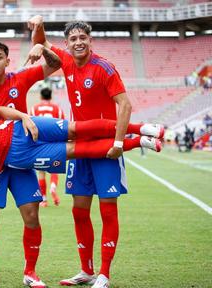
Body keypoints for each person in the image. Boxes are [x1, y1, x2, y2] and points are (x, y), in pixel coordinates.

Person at [27, 15, 161, 288]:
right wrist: (38, 27)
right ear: (67, 43)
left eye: (82, 38)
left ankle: (105, 273)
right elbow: (40, 40)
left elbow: (124, 105)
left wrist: (120, 143)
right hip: (80, 149)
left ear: (90, 40)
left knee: (108, 210)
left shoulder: (104, 67)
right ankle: (86, 270)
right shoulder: (64, 60)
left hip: (106, 149)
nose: (78, 43)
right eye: (73, 39)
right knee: (79, 210)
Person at [0, 41, 61, 288]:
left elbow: (56, 64)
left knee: (32, 215)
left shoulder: (19, 79)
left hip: (22, 159)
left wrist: (42, 47)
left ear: (7, 61)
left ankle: (30, 272)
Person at [0, 86, 162, 175]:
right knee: (77, 150)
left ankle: (142, 128)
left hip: (20, 127)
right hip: (15, 156)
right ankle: (140, 143)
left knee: (78, 129)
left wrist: (23, 116)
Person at [30, 87, 65, 207]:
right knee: (55, 169)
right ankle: (53, 187)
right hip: (54, 143)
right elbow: (63, 126)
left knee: (41, 172)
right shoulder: (58, 109)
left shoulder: (34, 109)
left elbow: (30, 126)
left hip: (40, 144)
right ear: (51, 97)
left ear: (40, 97)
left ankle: (43, 199)